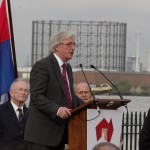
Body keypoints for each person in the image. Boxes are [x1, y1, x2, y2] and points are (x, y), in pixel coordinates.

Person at [24, 31, 84, 150]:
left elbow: (69, 96)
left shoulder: (67, 68)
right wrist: (57, 109)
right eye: (68, 44)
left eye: (74, 44)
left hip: (59, 136)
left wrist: (91, 105)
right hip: (41, 136)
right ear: (57, 46)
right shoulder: (42, 66)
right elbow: (36, 96)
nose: (72, 48)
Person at [0, 78, 29, 150]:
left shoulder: (30, 113)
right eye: (20, 89)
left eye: (26, 90)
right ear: (11, 93)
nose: (23, 93)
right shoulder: (1, 111)